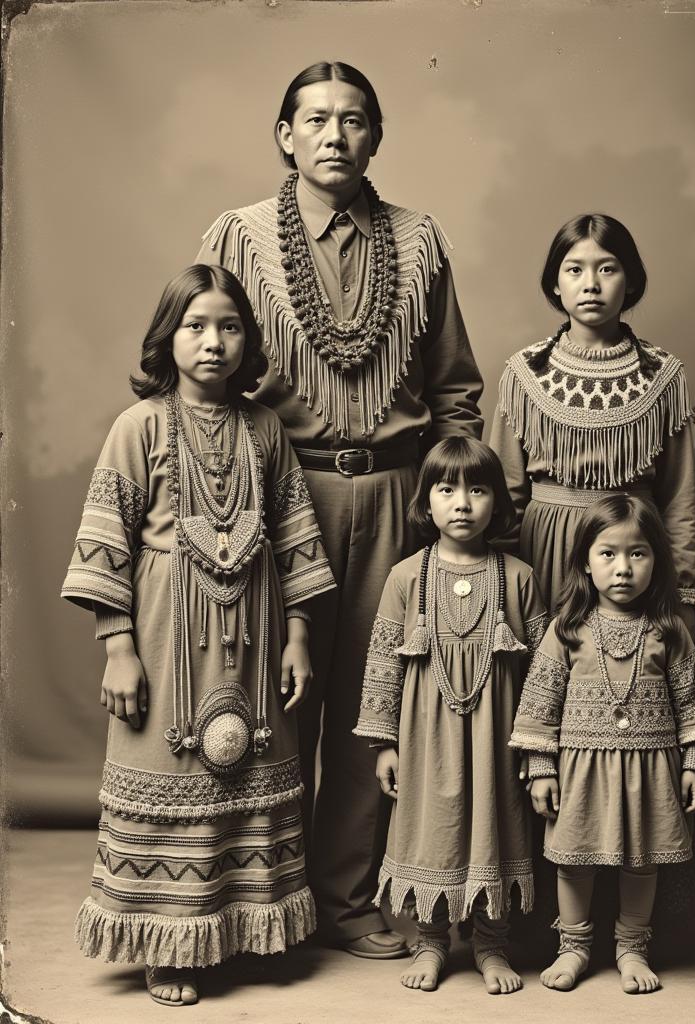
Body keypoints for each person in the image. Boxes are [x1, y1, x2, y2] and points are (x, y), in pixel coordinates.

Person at [196, 61, 484, 958]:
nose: (334, 135)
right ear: (284, 135)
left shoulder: (419, 240)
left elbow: (457, 390)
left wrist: (445, 501)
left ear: (376, 136)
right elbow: (204, 364)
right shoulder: (239, 238)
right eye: (314, 119)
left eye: (353, 119)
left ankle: (348, 895)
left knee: (375, 697)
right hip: (278, 491)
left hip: (397, 492)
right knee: (275, 693)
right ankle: (266, 899)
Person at [61, 265, 335, 1007]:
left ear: (248, 340)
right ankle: (169, 941)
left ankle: (245, 927)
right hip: (162, 638)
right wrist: (118, 647)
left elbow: (296, 540)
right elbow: (104, 545)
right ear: (167, 337)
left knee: (253, 770)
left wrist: (299, 635)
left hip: (256, 636)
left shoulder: (266, 428)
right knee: (172, 775)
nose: (214, 342)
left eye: (230, 326)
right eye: (196, 326)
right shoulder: (139, 426)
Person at [352, 438, 548, 994]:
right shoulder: (405, 578)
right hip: (424, 738)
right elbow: (381, 667)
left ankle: (491, 943)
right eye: (447, 490)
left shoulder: (518, 577)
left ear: (498, 503)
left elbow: (545, 672)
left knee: (498, 825)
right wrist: (384, 744)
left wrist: (538, 748)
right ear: (426, 502)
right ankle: (431, 940)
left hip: (497, 738)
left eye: (478, 489)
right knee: (430, 830)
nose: (462, 503)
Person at [509, 494, 695, 994]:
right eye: (608, 554)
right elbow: (539, 699)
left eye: (638, 554)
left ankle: (632, 948)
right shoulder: (567, 629)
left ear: (656, 561)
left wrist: (693, 761)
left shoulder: (669, 631)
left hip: (650, 770)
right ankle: (574, 947)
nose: (622, 568)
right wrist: (540, 765)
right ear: (586, 560)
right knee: (574, 860)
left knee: (640, 861)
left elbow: (693, 699)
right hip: (582, 769)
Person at [489, 214, 695, 629]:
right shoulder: (525, 373)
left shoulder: (663, 375)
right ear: (555, 282)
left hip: (631, 555)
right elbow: (504, 494)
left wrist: (685, 594)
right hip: (544, 552)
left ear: (631, 281)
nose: (591, 284)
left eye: (607, 268)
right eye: (574, 270)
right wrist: (500, 585)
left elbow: (680, 500)